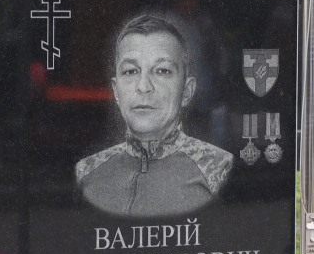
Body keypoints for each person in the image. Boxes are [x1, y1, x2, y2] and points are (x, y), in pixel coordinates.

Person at [75, 14, 232, 218]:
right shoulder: (88, 171)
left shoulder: (217, 168)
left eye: (162, 71)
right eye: (131, 71)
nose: (144, 86)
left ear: (187, 91)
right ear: (116, 91)